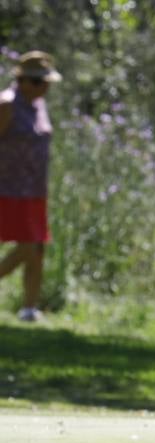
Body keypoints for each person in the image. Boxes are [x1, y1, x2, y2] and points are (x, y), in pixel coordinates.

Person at [0, 51, 61, 322]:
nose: (44, 88)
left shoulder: (38, 104)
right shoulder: (6, 104)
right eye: (38, 82)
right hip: (8, 187)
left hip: (35, 189)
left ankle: (28, 309)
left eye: (46, 82)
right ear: (22, 80)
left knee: (36, 249)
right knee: (27, 244)